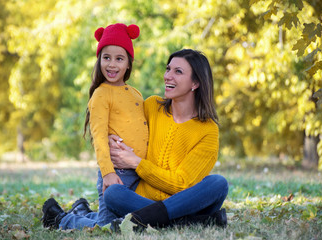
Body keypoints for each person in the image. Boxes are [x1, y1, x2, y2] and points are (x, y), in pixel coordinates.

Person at [104, 49, 228, 230]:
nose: (168, 76)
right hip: (140, 199)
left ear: (195, 83)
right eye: (168, 69)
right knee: (113, 193)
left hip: (185, 203)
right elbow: (120, 128)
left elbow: (182, 184)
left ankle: (151, 219)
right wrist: (111, 138)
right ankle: (187, 222)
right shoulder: (151, 106)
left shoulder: (208, 130)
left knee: (218, 183)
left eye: (178, 72)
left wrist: (137, 163)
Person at [41, 23, 148, 230]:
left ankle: (81, 210)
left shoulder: (136, 94)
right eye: (106, 57)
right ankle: (59, 219)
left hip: (138, 171)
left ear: (128, 64)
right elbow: (99, 137)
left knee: (125, 221)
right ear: (99, 60)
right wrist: (107, 172)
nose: (112, 64)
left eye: (119, 58)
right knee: (107, 226)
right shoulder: (101, 94)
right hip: (117, 172)